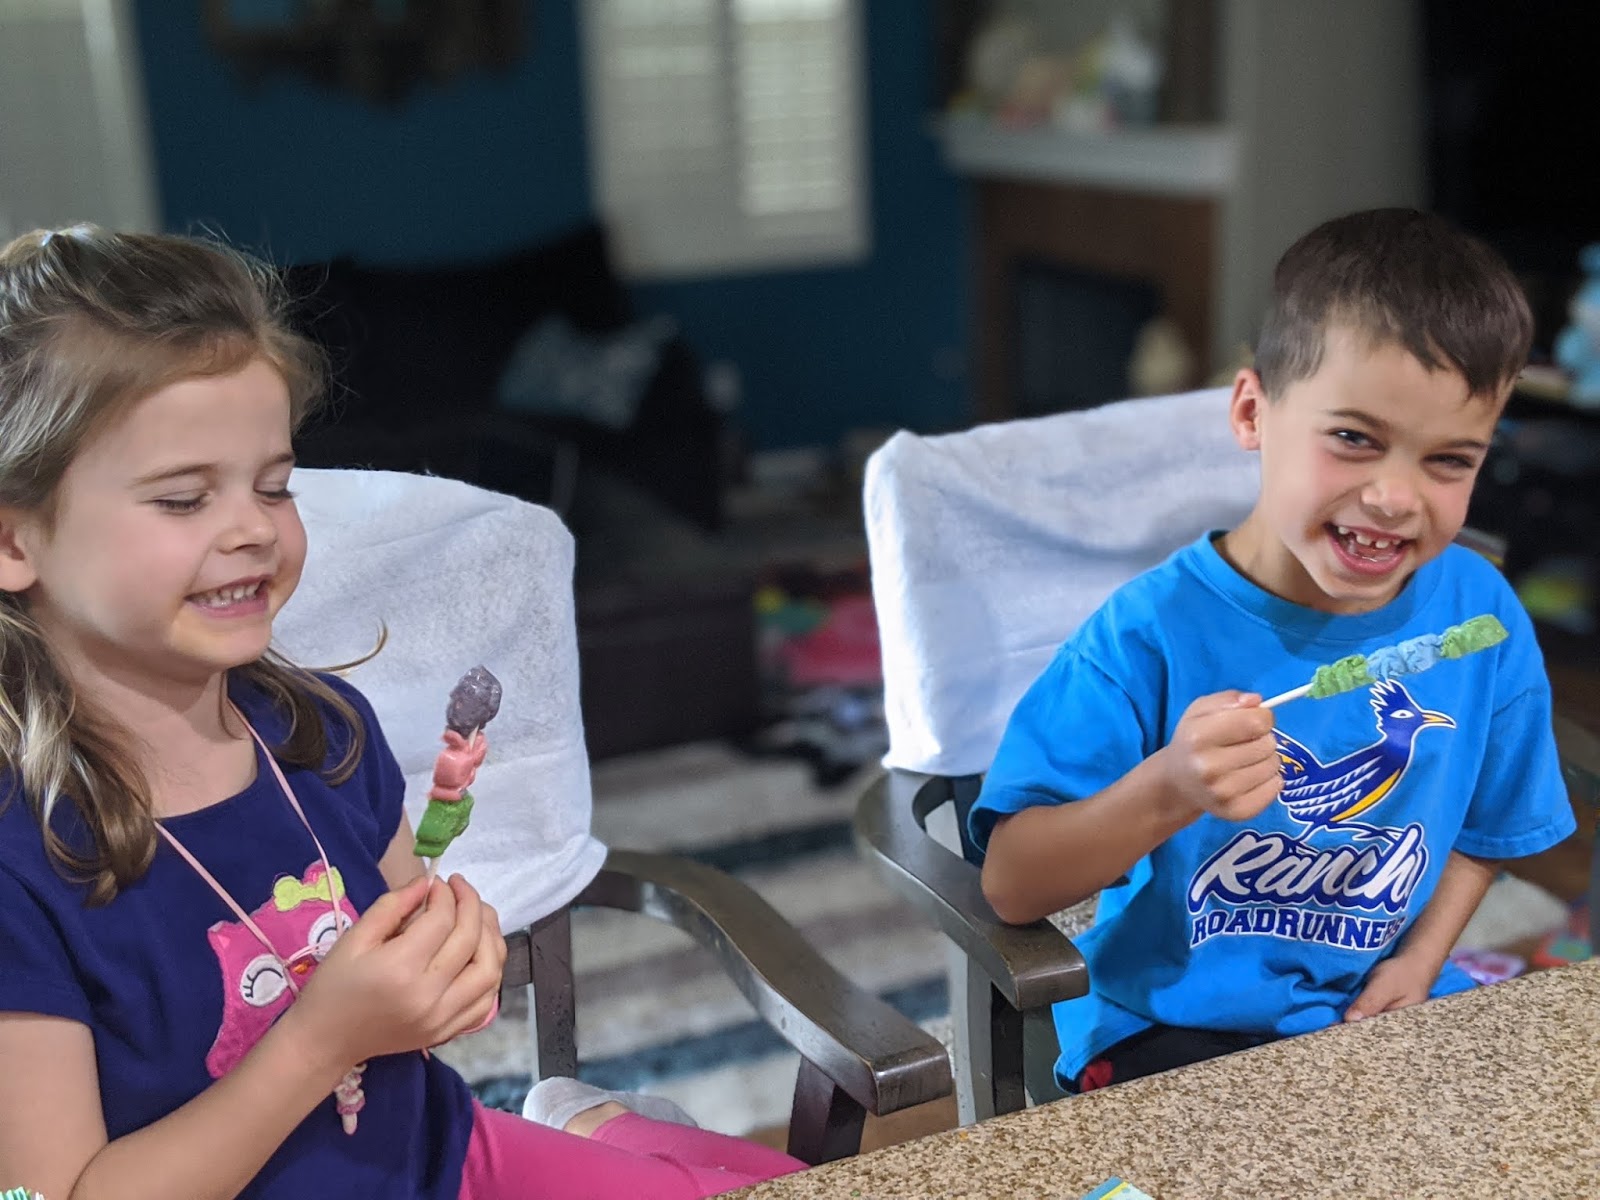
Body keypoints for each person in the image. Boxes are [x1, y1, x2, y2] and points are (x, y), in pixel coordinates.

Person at [0, 225, 806, 1199]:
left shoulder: (323, 733)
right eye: (182, 499)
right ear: (13, 542)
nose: (253, 528)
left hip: (447, 1161)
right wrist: (321, 1039)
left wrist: (448, 970)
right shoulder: (18, 862)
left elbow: (411, 960)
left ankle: (590, 1125)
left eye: (274, 486)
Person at [972, 208, 1578, 1095]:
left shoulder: (1480, 619)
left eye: (1450, 460)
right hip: (1171, 1024)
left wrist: (1419, 962)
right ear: (1254, 412)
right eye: (1354, 439)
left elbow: (1491, 829)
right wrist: (1169, 788)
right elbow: (1012, 886)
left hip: (1381, 1008)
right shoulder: (1147, 634)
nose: (1395, 497)